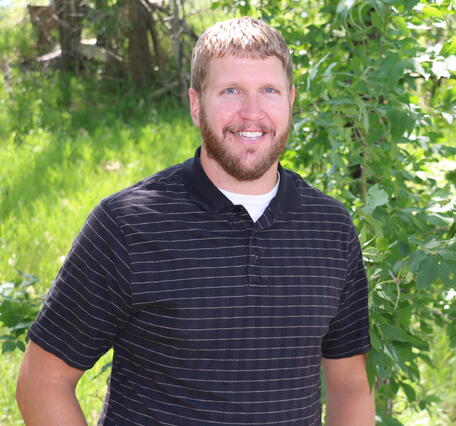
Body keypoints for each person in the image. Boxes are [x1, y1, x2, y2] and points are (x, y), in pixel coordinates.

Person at [16, 17, 375, 425]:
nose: (252, 112)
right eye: (231, 90)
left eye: (269, 90)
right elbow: (42, 381)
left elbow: (350, 385)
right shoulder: (128, 225)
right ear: (196, 104)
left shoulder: (330, 228)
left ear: (290, 100)